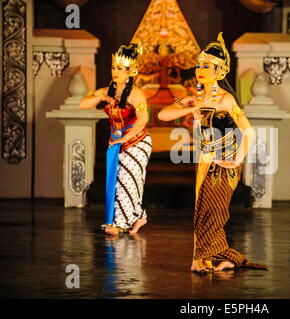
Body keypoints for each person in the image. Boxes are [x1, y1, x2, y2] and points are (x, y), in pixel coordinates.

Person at [158, 32, 267, 272]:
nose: (200, 69)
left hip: (225, 163)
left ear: (219, 72)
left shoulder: (226, 100)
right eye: (199, 65)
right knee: (201, 212)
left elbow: (248, 132)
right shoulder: (193, 98)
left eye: (206, 66)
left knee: (214, 214)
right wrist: (189, 108)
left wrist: (237, 159)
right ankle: (202, 260)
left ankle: (224, 258)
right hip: (204, 159)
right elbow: (162, 115)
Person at [80, 43, 152, 236]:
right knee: (119, 181)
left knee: (127, 181)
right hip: (117, 141)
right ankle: (138, 217)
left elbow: (143, 119)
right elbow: (84, 104)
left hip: (137, 141)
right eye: (113, 67)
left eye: (120, 68)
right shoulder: (107, 91)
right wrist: (101, 98)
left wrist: (126, 138)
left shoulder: (136, 94)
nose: (115, 71)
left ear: (131, 71)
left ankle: (120, 224)